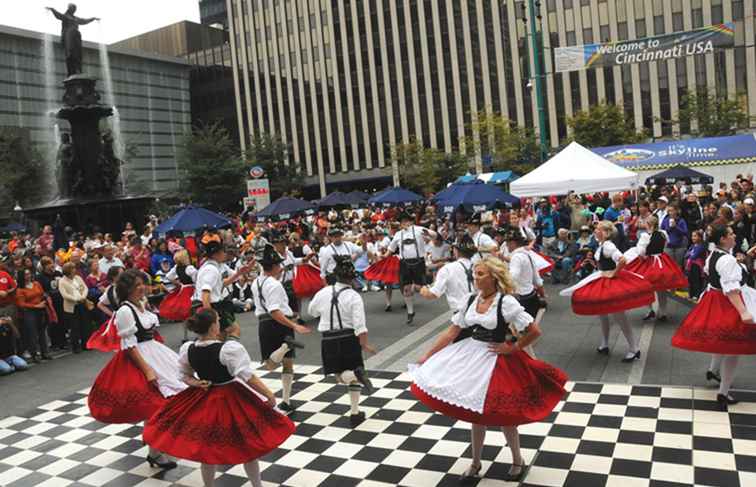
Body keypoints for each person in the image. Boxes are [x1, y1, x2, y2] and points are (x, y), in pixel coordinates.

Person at [410, 257, 567, 483]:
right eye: (475, 273)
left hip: (497, 360)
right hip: (471, 355)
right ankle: (475, 462)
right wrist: (427, 356)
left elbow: (534, 331)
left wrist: (512, 347)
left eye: (481, 274)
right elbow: (451, 332)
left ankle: (517, 459)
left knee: (506, 417)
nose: (475, 277)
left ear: (494, 277)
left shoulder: (506, 302)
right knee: (475, 414)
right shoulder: (470, 299)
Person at [143, 309, 295, 487]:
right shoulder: (228, 349)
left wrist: (196, 383)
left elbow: (184, 374)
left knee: (207, 450)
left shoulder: (189, 349)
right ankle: (257, 485)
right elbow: (248, 377)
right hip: (231, 397)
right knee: (249, 447)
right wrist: (268, 394)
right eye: (218, 320)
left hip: (203, 399)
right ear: (214, 327)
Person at [88, 269, 186, 470]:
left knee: (160, 405)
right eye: (136, 285)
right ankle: (155, 447)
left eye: (143, 283)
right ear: (127, 289)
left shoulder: (139, 304)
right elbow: (129, 345)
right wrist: (148, 369)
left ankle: (155, 449)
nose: (142, 287)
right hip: (140, 359)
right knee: (157, 405)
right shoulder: (125, 310)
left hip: (154, 353)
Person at [672, 225, 756, 409]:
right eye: (731, 234)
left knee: (722, 340)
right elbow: (731, 289)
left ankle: (713, 371)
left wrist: (744, 258)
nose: (734, 236)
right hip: (727, 303)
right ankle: (723, 392)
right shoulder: (726, 260)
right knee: (734, 348)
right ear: (723, 239)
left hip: (715, 299)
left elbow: (720, 276)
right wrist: (743, 312)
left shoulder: (714, 254)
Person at [560, 221, 655, 361]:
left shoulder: (608, 245)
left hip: (610, 282)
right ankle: (604, 344)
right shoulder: (602, 245)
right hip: (602, 278)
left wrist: (613, 273)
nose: (595, 231)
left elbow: (622, 260)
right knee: (602, 313)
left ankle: (634, 349)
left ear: (606, 232)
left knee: (619, 317)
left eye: (598, 229)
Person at [308, 258, 376, 427]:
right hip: (349, 339)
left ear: (335, 276)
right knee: (350, 375)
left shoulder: (323, 292)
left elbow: (312, 311)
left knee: (339, 377)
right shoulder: (354, 296)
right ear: (352, 278)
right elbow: (361, 327)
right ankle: (356, 378)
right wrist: (364, 344)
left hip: (328, 339)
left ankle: (355, 412)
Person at [252, 245, 311, 412]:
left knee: (281, 364)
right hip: (279, 323)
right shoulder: (275, 285)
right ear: (275, 266)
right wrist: (294, 325)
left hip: (264, 324)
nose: (281, 267)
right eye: (279, 264)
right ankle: (285, 346)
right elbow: (274, 311)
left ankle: (286, 400)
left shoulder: (256, 282)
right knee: (275, 364)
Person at [193, 238, 252, 334]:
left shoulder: (214, 266)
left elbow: (222, 284)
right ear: (216, 254)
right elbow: (205, 294)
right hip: (210, 305)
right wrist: (210, 316)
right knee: (232, 331)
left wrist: (238, 273)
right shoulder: (211, 269)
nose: (225, 254)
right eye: (223, 251)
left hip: (214, 304)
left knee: (223, 334)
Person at [390, 212, 437, 324]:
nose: (405, 223)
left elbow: (435, 235)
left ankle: (426, 287)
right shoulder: (398, 235)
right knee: (406, 288)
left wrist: (429, 233)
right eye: (402, 221)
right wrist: (382, 257)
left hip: (418, 262)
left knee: (418, 287)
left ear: (411, 221)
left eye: (407, 221)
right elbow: (390, 249)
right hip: (404, 263)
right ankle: (410, 312)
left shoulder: (419, 229)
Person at [420, 234, 477, 315]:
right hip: (480, 312)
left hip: (461, 314)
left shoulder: (447, 269)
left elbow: (432, 294)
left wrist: (423, 290)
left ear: (456, 250)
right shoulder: (480, 266)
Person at [15, 268, 50, 363]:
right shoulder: (20, 289)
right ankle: (34, 354)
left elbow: (42, 294)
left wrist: (44, 300)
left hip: (41, 310)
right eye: (26, 274)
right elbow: (21, 304)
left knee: (42, 332)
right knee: (32, 334)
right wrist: (35, 305)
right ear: (22, 276)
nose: (28, 276)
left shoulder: (36, 284)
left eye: (29, 274)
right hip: (29, 312)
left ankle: (45, 353)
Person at [58, 261, 89, 353]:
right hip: (72, 307)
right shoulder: (62, 281)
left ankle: (85, 344)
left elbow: (85, 287)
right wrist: (76, 299)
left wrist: (83, 296)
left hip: (82, 303)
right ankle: (75, 347)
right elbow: (64, 295)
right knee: (74, 327)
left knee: (84, 324)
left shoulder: (78, 278)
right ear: (68, 270)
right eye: (73, 268)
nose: (75, 270)